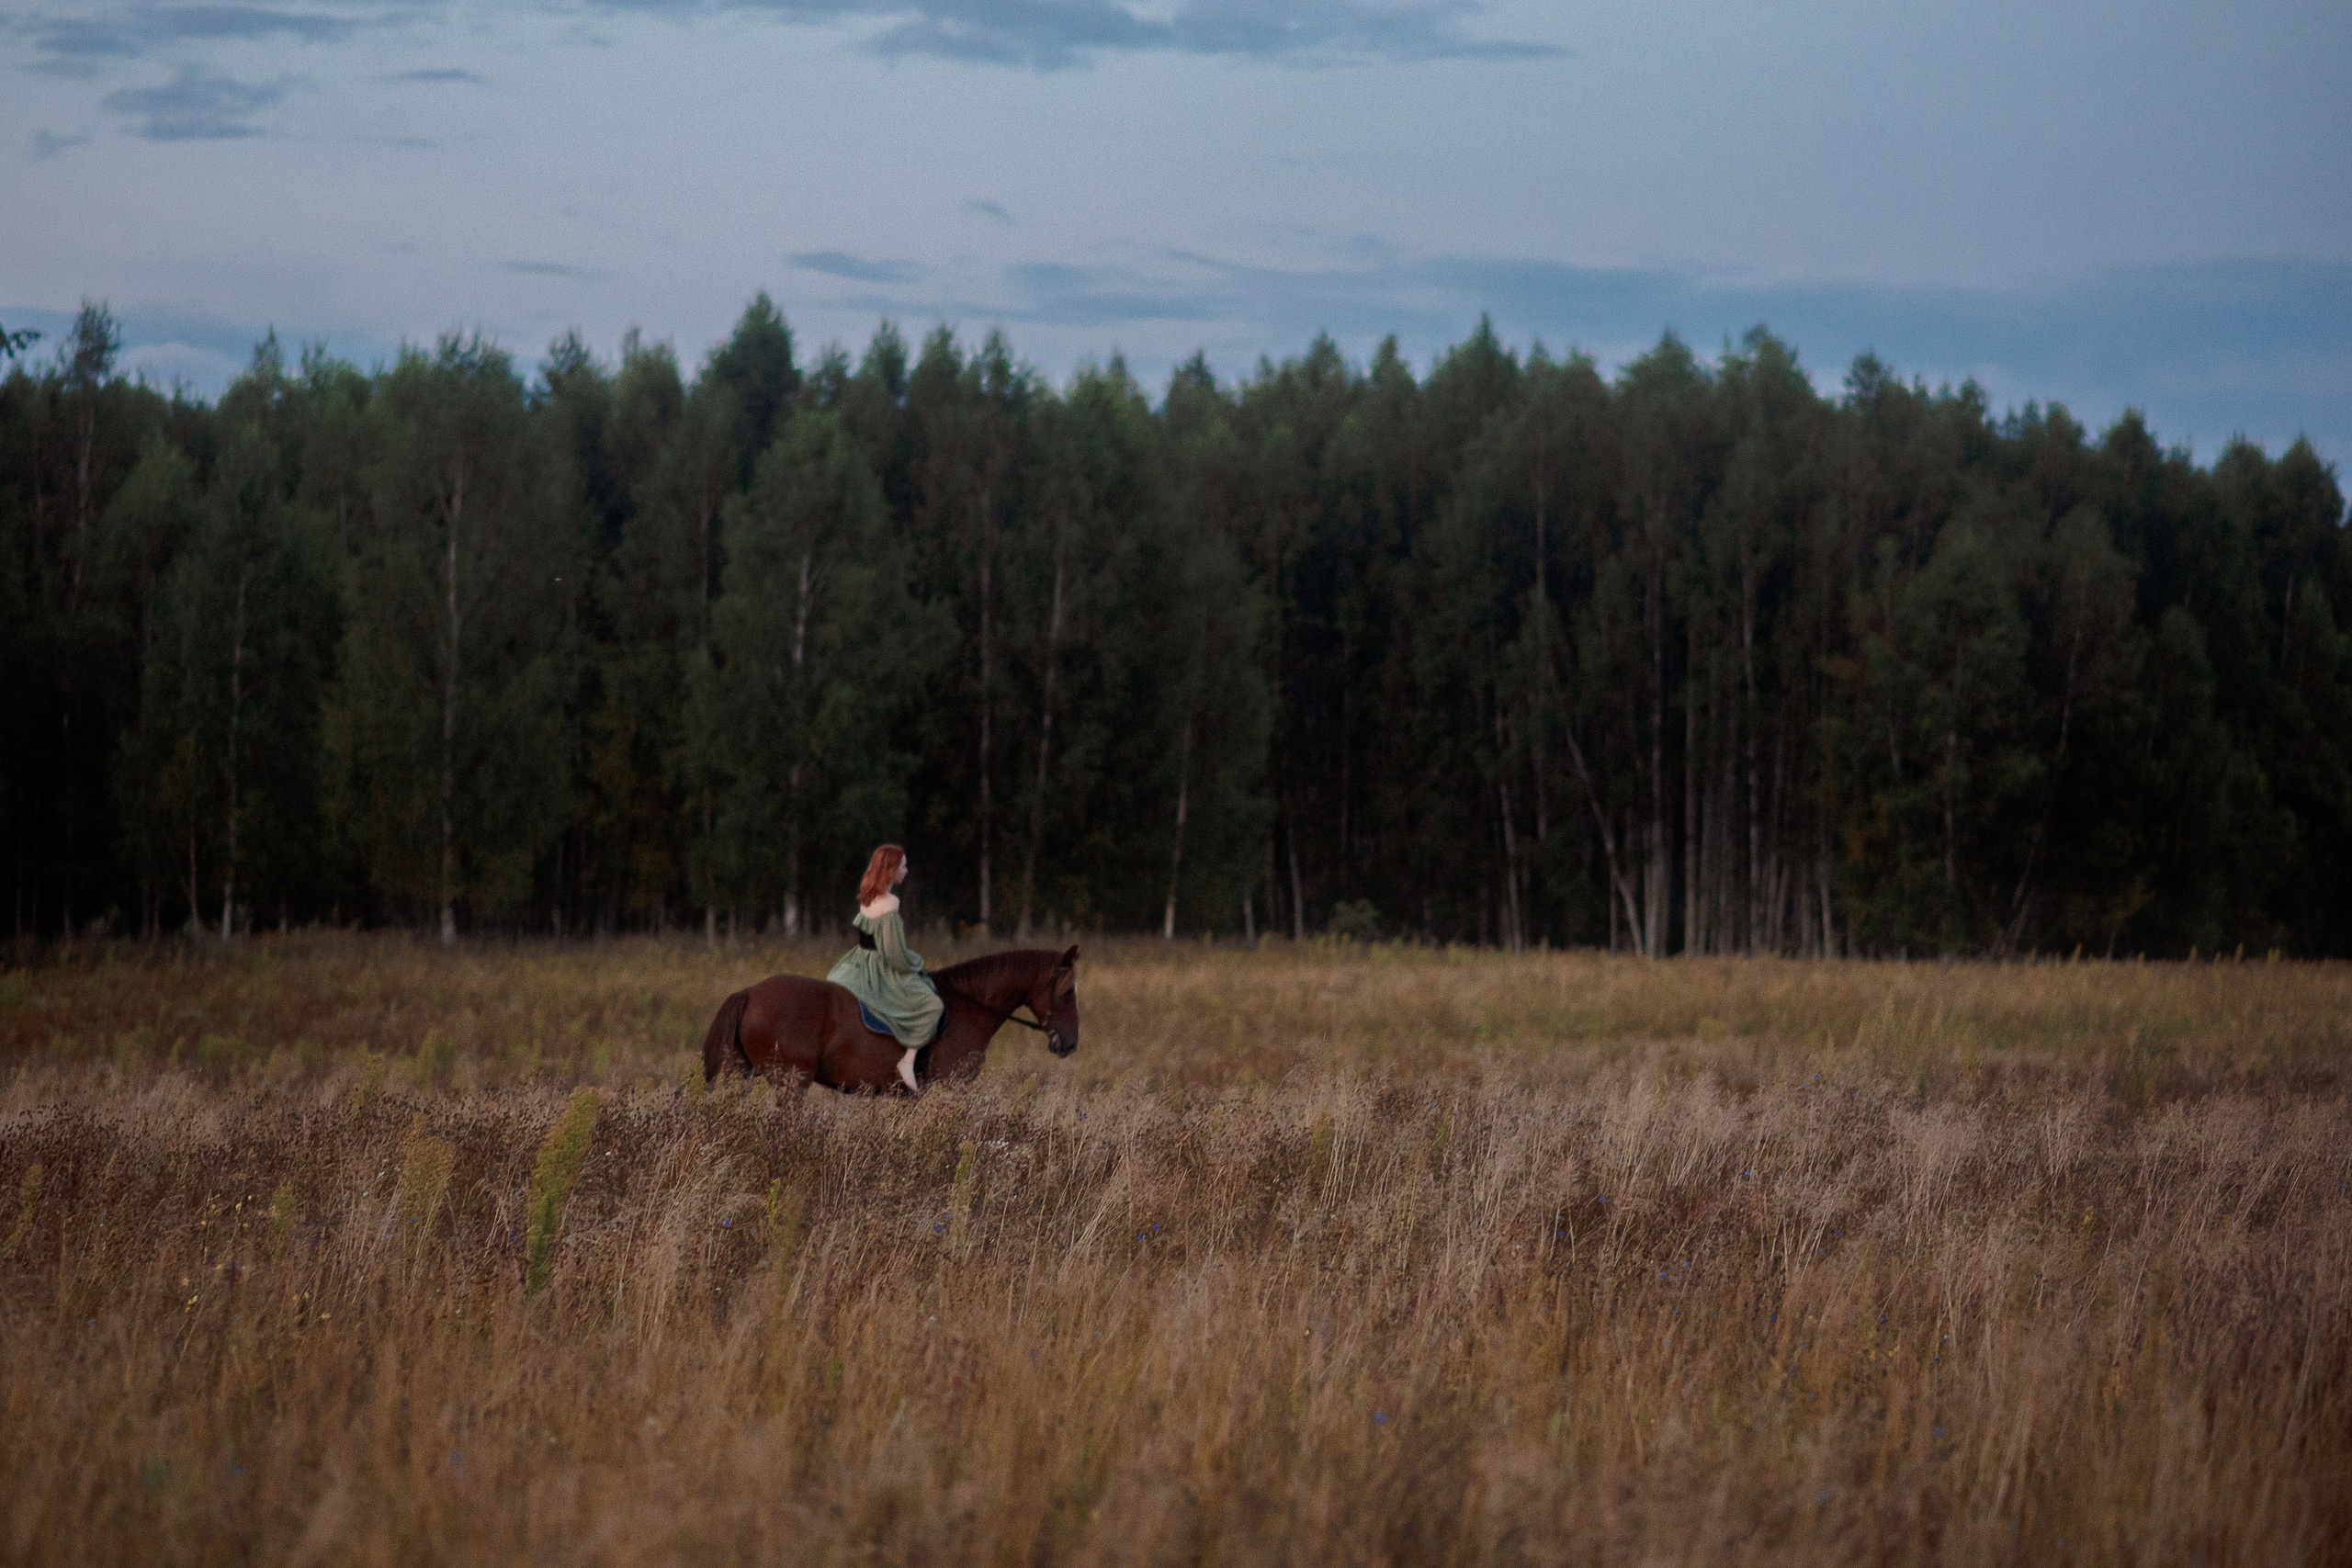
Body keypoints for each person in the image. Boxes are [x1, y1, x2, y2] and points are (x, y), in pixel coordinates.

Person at [825, 844, 943, 1094]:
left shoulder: (867, 896)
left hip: (858, 963)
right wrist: (916, 963)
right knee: (933, 1004)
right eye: (902, 866)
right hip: (879, 969)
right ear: (890, 870)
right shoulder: (891, 903)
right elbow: (894, 956)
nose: (906, 871)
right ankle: (908, 1061)